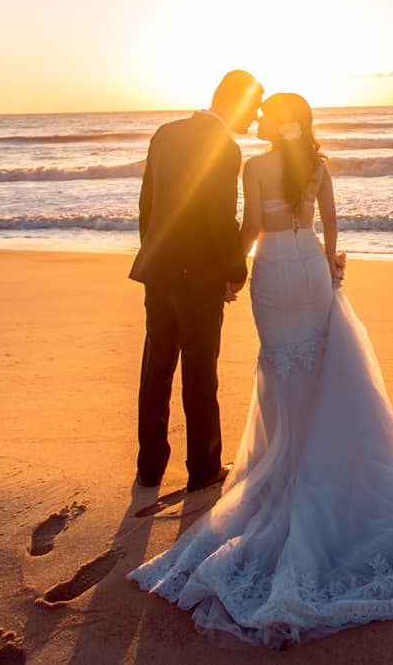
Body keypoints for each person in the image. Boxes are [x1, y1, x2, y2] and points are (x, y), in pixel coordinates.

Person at [130, 92, 393, 646]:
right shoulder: (318, 166)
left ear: (276, 121)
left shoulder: (253, 165)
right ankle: (317, 461)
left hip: (271, 278)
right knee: (315, 366)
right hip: (307, 268)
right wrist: (332, 269)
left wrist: (232, 275)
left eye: (266, 112)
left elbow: (251, 226)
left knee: (279, 369)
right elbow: (332, 226)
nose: (258, 118)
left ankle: (265, 467)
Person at [130, 69, 262, 492]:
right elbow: (220, 220)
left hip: (159, 271)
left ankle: (149, 467)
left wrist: (152, 257)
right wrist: (234, 273)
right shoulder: (223, 147)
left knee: (156, 366)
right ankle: (203, 468)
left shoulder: (165, 134)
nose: (256, 116)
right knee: (200, 371)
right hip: (198, 276)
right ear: (235, 100)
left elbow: (146, 205)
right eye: (254, 105)